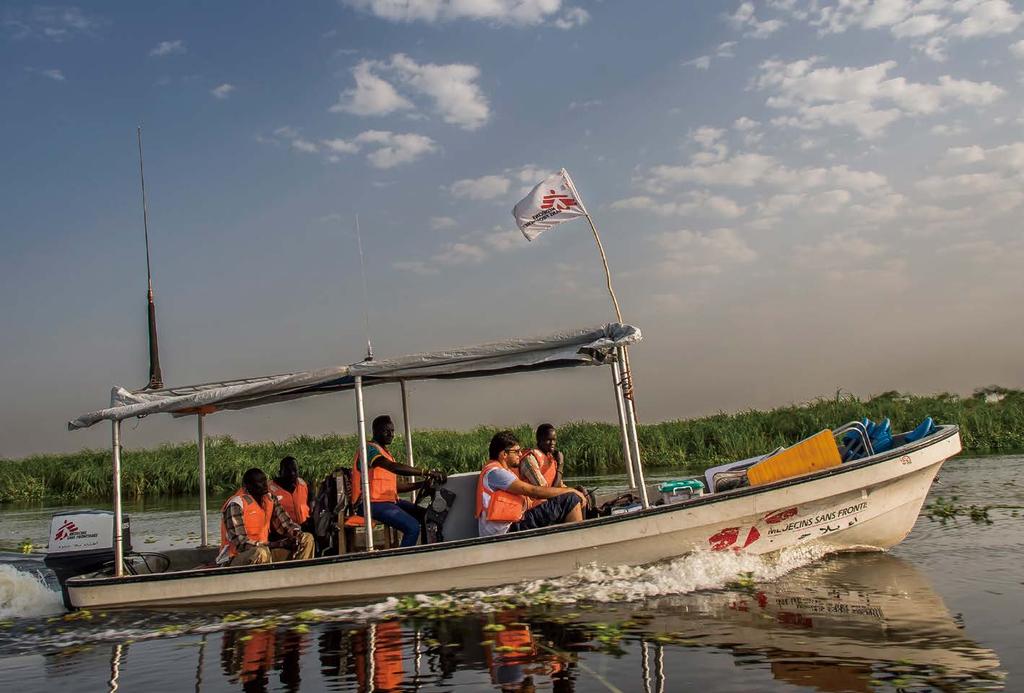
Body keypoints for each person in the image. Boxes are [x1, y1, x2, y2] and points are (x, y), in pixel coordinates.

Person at [351, 415, 446, 548]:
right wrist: (426, 472)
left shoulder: (386, 453)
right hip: (370, 504)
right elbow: (392, 467)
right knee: (412, 527)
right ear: (375, 432)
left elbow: (396, 487)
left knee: (427, 516)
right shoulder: (369, 450)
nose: (391, 434)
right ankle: (402, 562)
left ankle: (427, 550)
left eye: (392, 431)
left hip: (388, 502)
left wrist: (421, 484)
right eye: (386, 431)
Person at [477, 431, 588, 537]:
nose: (520, 454)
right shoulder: (496, 473)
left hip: (513, 524)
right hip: (507, 530)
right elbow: (534, 491)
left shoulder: (502, 471)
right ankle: (577, 542)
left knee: (571, 498)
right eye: (516, 451)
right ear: (504, 454)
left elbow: (529, 499)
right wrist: (571, 490)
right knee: (571, 499)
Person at [219, 467, 315, 566]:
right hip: (236, 558)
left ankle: (297, 576)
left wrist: (296, 535)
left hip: (266, 551)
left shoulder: (270, 499)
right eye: (260, 482)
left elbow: (286, 525)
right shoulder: (236, 504)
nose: (265, 485)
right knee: (260, 553)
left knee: (307, 538)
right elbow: (240, 544)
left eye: (265, 480)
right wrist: (274, 544)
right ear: (247, 486)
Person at [518, 424, 566, 507]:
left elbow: (560, 486)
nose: (552, 443)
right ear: (539, 440)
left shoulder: (551, 458)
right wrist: (560, 466)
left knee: (585, 495)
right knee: (573, 498)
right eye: (548, 440)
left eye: (554, 440)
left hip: (549, 500)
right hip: (534, 506)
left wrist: (576, 489)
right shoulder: (530, 459)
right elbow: (544, 491)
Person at [269, 456, 312, 529]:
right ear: (280, 472)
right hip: (282, 535)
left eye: (295, 470)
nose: (292, 473)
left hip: (304, 532)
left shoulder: (303, 485)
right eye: (288, 471)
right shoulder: (269, 490)